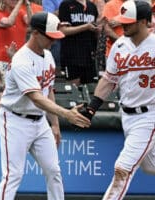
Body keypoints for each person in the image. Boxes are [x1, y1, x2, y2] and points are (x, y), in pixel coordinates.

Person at [0, 11, 90, 200]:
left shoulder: (47, 56)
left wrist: (54, 124)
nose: (53, 41)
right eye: (50, 36)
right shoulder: (21, 60)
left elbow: (48, 91)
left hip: (39, 121)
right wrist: (66, 114)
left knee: (54, 171)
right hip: (15, 120)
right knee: (13, 175)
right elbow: (36, 97)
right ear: (36, 33)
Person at [84, 1, 155, 199]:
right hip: (128, 115)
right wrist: (92, 107)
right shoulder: (120, 45)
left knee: (122, 169)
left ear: (143, 22)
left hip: (150, 114)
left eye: (128, 22)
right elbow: (109, 79)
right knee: (150, 167)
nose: (123, 25)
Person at [59, 0, 102, 86]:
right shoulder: (66, 4)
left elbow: (95, 34)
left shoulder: (92, 6)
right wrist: (86, 27)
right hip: (71, 55)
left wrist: (98, 29)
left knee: (90, 88)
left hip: (89, 55)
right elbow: (63, 31)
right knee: (74, 88)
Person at [0, 0, 33, 76]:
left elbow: (31, 22)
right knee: (5, 86)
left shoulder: (20, 12)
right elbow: (9, 22)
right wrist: (20, 3)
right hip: (4, 58)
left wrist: (27, 5)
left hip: (21, 58)